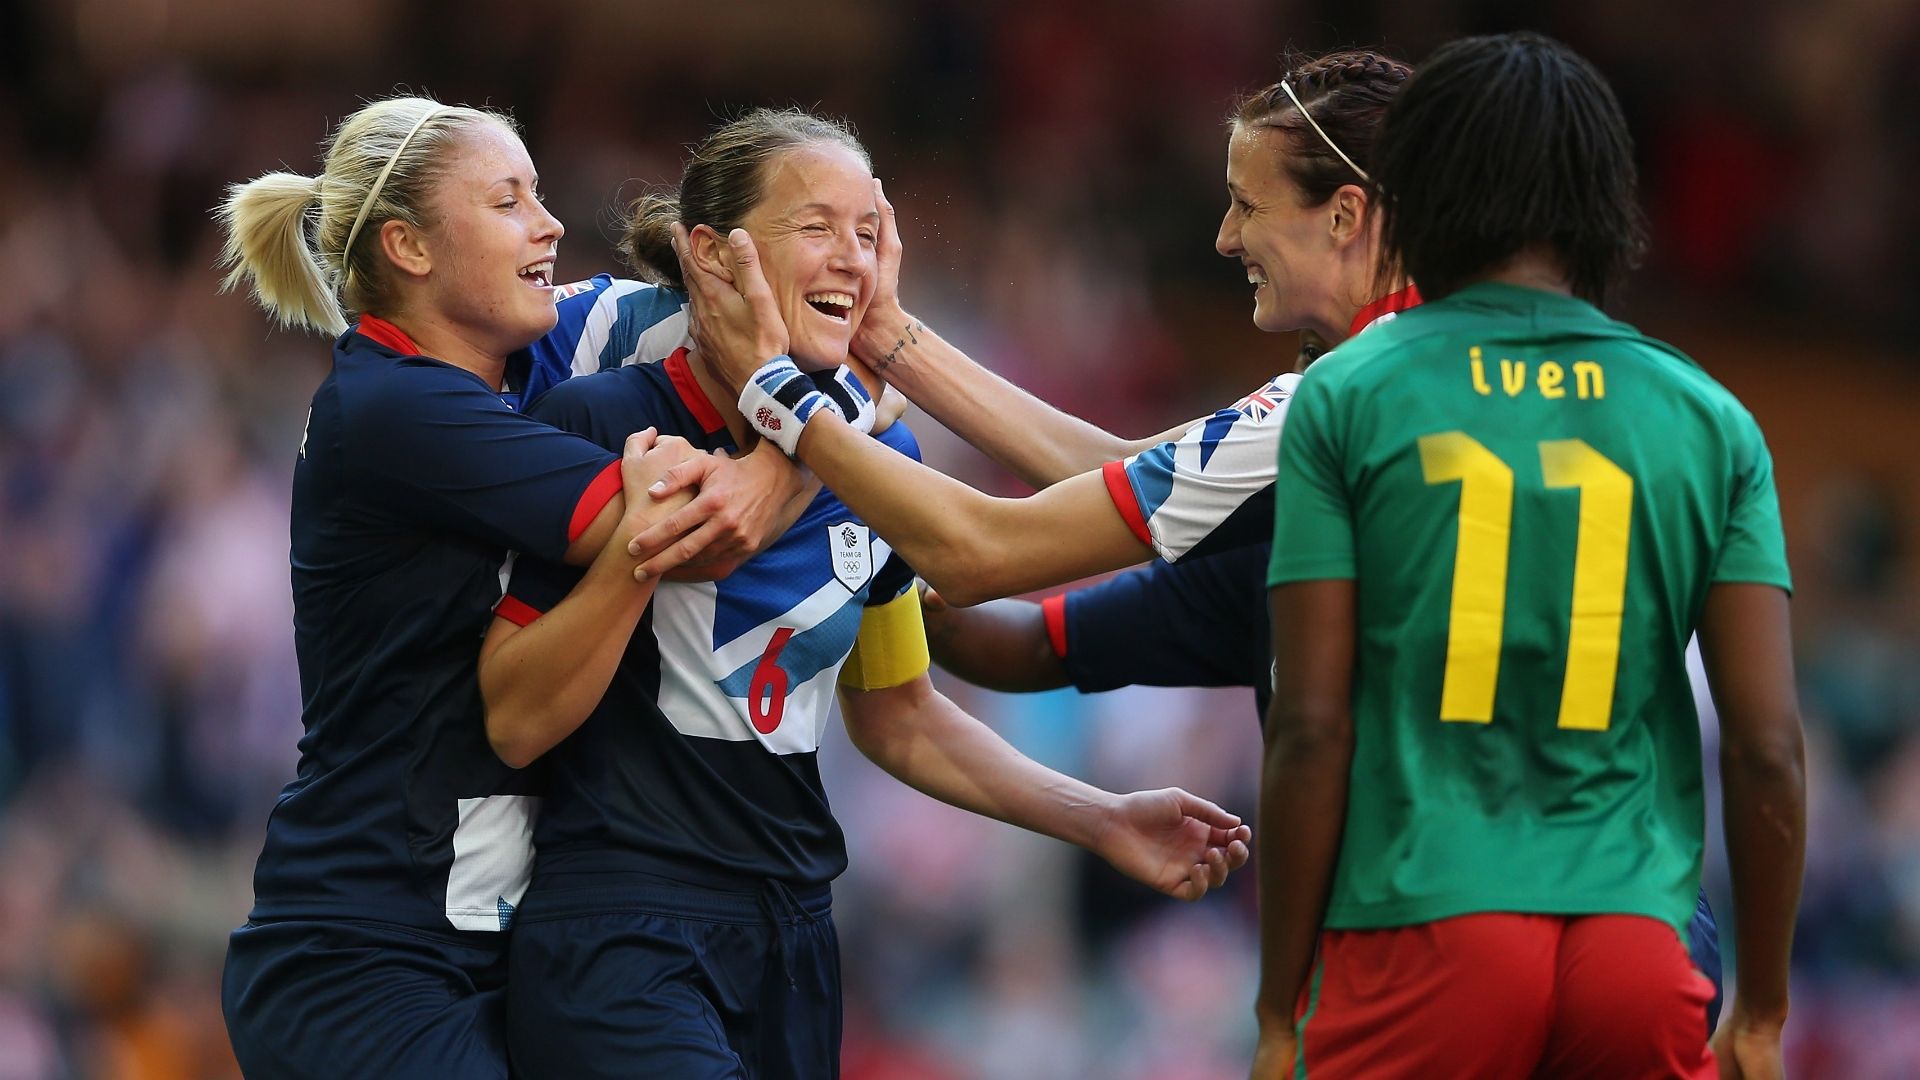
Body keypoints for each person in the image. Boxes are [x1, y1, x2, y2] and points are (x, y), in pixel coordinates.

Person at [474, 108, 1253, 1080]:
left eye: (869, 232)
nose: (851, 258)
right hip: (624, 925)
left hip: (797, 931)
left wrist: (1099, 816)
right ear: (713, 256)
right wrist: (641, 552)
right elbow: (511, 716)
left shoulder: (884, 461)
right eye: (816, 228)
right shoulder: (602, 420)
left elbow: (899, 714)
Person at [1250, 33, 1804, 1080]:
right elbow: (1769, 747)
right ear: (1607, 199)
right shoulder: (1711, 419)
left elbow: (1312, 729)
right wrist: (1764, 1013)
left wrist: (1280, 1012)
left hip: (1422, 928)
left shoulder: (1350, 395)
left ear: (1418, 192)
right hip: (1638, 946)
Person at [914, 333, 1727, 1038]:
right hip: (1624, 945)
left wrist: (853, 387)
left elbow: (1034, 520)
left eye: (1252, 202)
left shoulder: (1345, 434)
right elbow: (1040, 642)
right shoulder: (1283, 536)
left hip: (1473, 946)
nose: (1230, 237)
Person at [211, 96, 788, 1079]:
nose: (550, 224)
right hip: (365, 953)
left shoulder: (502, 367)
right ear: (410, 248)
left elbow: (696, 302)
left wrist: (847, 337)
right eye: (509, 201)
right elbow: (695, 529)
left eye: (540, 195)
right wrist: (818, 434)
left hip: (478, 944)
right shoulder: (396, 407)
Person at [639, 53, 1417, 606]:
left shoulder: (1338, 405)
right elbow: (1107, 466)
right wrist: (886, 337)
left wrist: (773, 393)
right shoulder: (1445, 363)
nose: (1223, 237)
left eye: (1249, 205)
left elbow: (982, 554)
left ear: (1345, 214)